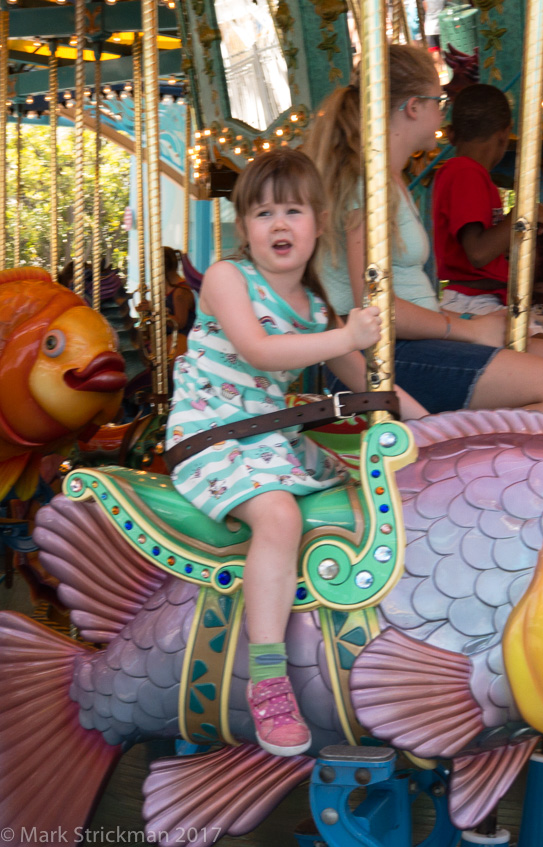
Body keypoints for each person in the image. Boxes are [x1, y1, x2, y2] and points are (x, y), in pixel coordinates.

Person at [164, 148, 426, 758]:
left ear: (319, 222)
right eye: (263, 213)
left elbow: (366, 380)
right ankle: (268, 679)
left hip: (269, 439)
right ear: (243, 229)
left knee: (368, 487)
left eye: (293, 210)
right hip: (213, 432)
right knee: (279, 515)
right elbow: (258, 350)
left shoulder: (314, 309)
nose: (279, 225)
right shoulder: (230, 280)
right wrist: (346, 335)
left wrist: (432, 426)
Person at [305, 44, 543, 430]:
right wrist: (467, 329)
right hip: (379, 355)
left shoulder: (391, 179)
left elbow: (411, 296)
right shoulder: (368, 182)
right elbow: (374, 305)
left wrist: (467, 320)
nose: (442, 113)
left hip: (417, 338)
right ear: (414, 107)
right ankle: (456, 464)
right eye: (440, 101)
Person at [430, 82, 543, 390]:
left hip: (484, 299)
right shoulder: (465, 172)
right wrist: (521, 216)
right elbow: (478, 252)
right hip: (474, 303)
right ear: (505, 133)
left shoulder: (468, 174)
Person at [163, 246, 196, 356]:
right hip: (169, 335)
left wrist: (157, 311)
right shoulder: (167, 289)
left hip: (182, 337)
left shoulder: (180, 292)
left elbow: (180, 323)